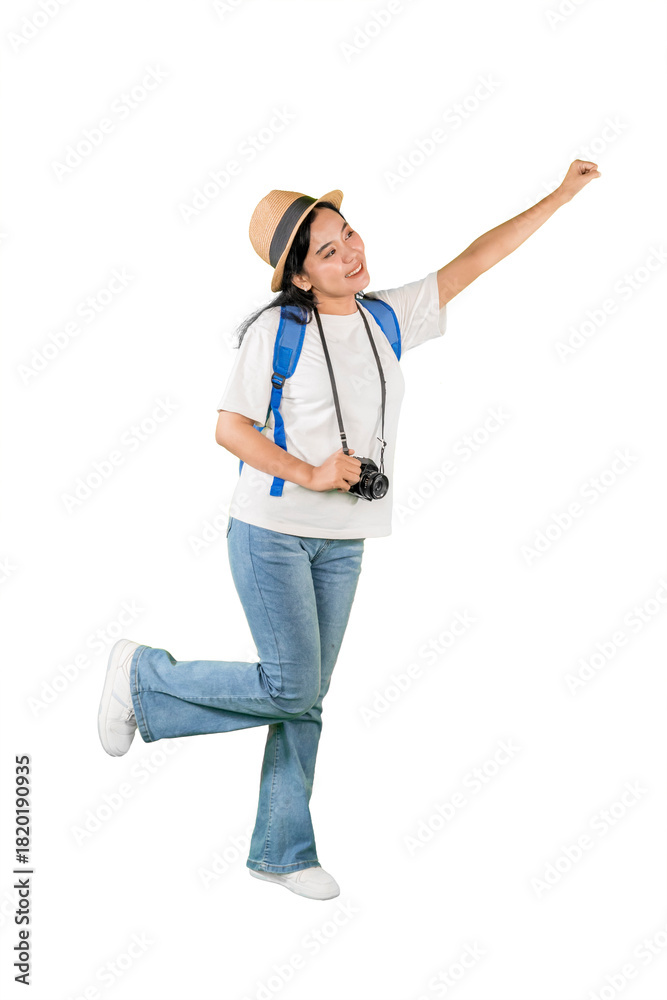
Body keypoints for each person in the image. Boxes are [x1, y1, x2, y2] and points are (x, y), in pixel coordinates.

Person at [97, 163, 600, 900]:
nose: (350, 254)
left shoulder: (386, 318)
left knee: (303, 695)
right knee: (292, 686)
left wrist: (560, 196)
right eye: (328, 252)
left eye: (349, 235)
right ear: (300, 276)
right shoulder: (276, 331)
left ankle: (280, 852)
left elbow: (478, 259)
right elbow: (229, 428)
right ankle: (143, 677)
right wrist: (307, 471)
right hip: (271, 530)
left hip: (344, 540)